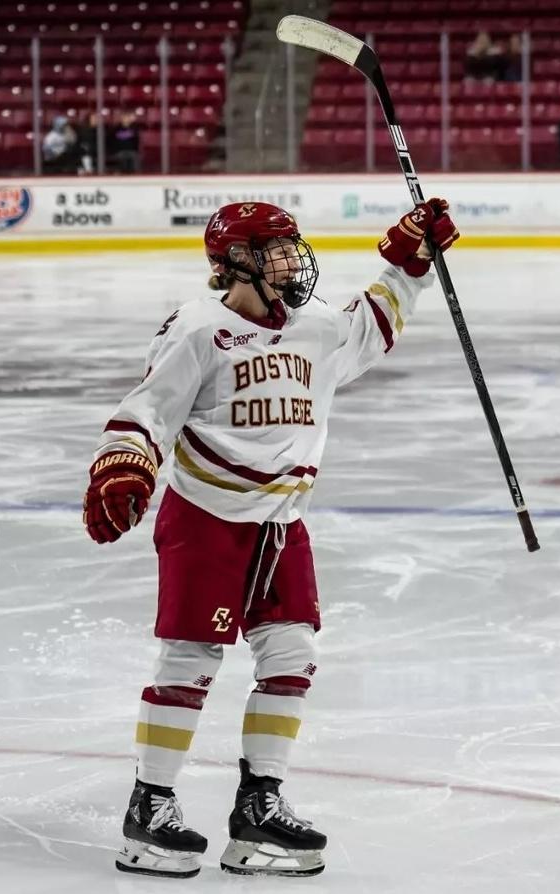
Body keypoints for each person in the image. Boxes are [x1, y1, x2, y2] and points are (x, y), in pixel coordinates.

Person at [86, 198, 460, 879]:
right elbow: (145, 411)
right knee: (191, 661)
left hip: (282, 527)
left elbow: (371, 327)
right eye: (275, 250)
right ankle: (150, 808)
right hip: (206, 520)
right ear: (235, 263)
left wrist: (411, 262)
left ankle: (258, 804)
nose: (293, 260)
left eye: (293, 247)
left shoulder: (315, 326)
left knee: (291, 654)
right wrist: (124, 463)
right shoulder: (196, 329)